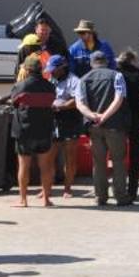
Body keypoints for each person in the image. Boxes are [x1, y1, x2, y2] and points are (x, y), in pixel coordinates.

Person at [78, 41, 131, 206]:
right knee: (118, 161)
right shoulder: (117, 76)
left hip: (94, 127)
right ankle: (121, 196)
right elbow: (119, 98)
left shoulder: (84, 79)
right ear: (106, 62)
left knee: (98, 162)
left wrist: (93, 116)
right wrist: (105, 116)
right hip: (115, 126)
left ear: (92, 63)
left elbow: (79, 103)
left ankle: (100, 196)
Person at [9, 54, 59, 208]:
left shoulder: (20, 86)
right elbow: (52, 101)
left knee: (24, 165)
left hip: (25, 131)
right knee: (46, 166)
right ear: (41, 69)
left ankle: (23, 200)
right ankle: (46, 199)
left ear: (26, 69)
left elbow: (14, 103)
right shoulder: (50, 87)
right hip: (44, 130)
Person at [48, 51, 84, 198]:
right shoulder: (52, 80)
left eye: (52, 69)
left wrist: (60, 106)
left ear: (61, 68)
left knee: (70, 156)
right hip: (54, 120)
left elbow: (76, 101)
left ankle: (67, 188)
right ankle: (47, 188)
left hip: (71, 120)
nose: (50, 72)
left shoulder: (75, 81)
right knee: (49, 156)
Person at [117, 49, 139, 206]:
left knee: (119, 155)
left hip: (121, 119)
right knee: (135, 156)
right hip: (137, 119)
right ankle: (133, 191)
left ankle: (120, 189)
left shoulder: (117, 75)